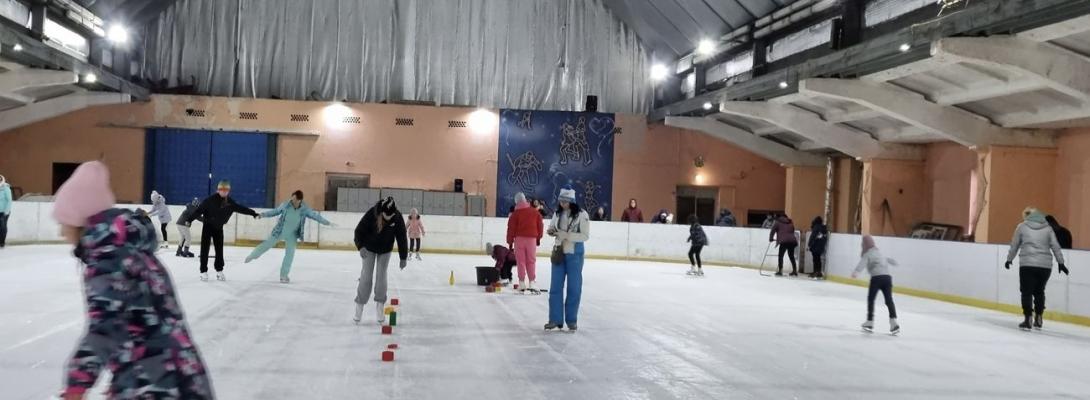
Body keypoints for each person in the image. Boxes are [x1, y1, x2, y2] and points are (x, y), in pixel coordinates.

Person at [52, 161, 214, 399]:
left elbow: (105, 328)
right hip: (182, 376)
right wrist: (124, 374)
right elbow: (144, 321)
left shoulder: (107, 257)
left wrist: (77, 384)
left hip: (154, 384)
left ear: (80, 220)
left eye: (64, 222)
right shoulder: (134, 252)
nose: (61, 232)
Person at [245, 190, 332, 283]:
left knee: (290, 254)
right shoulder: (286, 205)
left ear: (300, 200)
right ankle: (253, 255)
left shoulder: (304, 208)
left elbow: (315, 216)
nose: (292, 201)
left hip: (293, 234)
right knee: (267, 244)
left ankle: (284, 275)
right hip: (280, 231)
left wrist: (327, 222)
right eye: (292, 198)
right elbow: (275, 211)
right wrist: (262, 215)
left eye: (294, 200)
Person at [1006, 208, 1068, 330]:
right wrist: (1061, 263)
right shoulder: (1048, 228)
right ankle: (1039, 316)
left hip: (1027, 265)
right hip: (1045, 267)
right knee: (1039, 291)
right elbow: (1055, 246)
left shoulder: (1022, 227)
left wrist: (1009, 259)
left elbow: (1015, 244)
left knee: (1026, 292)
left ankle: (1028, 318)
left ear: (1026, 216)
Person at [185, 180, 260, 282]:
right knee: (204, 249)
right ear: (218, 190)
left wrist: (253, 213)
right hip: (208, 226)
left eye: (226, 190)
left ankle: (219, 271)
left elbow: (242, 209)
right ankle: (203, 271)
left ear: (229, 191)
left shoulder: (230, 203)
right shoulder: (209, 201)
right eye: (222, 190)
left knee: (219, 250)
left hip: (218, 228)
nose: (224, 192)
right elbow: (199, 211)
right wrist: (189, 220)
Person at [352, 197, 409, 325]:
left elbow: (401, 237)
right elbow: (358, 231)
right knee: (366, 276)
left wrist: (403, 257)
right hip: (369, 248)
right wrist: (360, 246)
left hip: (385, 249)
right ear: (381, 211)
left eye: (391, 215)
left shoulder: (397, 217)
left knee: (381, 276)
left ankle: (379, 305)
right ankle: (359, 305)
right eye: (385, 215)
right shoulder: (372, 213)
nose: (388, 218)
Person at [545, 185, 590, 332]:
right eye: (561, 201)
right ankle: (555, 319)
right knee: (555, 287)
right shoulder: (557, 214)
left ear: (572, 201)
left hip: (575, 254)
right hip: (559, 253)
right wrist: (551, 231)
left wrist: (567, 236)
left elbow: (585, 236)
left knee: (574, 288)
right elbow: (552, 227)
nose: (562, 204)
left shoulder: (582, 215)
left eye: (565, 201)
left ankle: (571, 320)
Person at [851, 235, 900, 335]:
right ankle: (893, 322)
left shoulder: (868, 254)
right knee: (889, 300)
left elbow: (862, 263)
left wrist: (856, 272)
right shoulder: (879, 252)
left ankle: (870, 322)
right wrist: (894, 262)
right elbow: (887, 259)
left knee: (871, 300)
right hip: (887, 278)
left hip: (876, 278)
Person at [507, 192, 544, 291]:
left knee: (521, 261)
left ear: (516, 202)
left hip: (519, 240)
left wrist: (510, 242)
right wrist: (538, 238)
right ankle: (532, 282)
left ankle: (522, 283)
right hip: (531, 239)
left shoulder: (515, 214)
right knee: (531, 260)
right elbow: (540, 225)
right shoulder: (535, 212)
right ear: (525, 200)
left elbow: (511, 228)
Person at [0, 174, 11, 249]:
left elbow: (9, 200)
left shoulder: (6, 188)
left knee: (2, 227)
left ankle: (2, 242)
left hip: (4, 212)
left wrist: (6, 211)